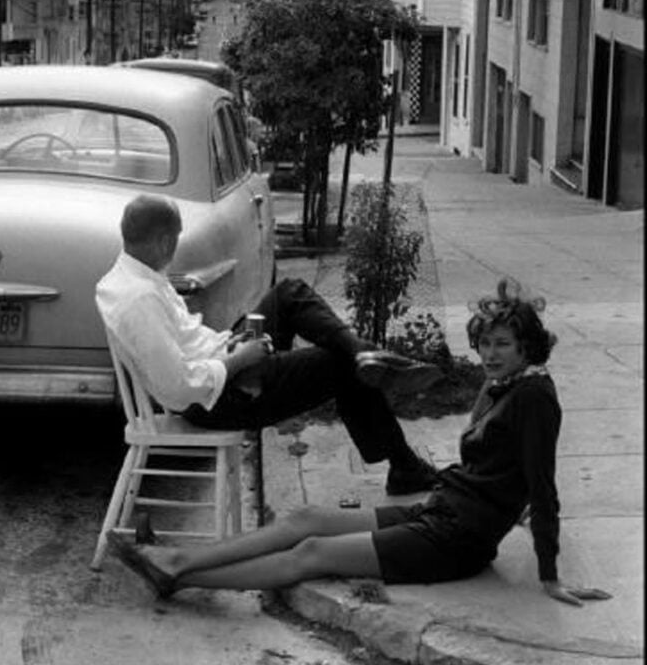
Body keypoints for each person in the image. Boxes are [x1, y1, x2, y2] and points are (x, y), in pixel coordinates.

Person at [107, 274, 613, 608]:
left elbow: (542, 485)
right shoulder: (502, 385)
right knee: (304, 520)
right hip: (441, 509)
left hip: (456, 542)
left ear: (528, 346)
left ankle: (178, 569)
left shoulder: (534, 399)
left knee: (312, 552)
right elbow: (509, 472)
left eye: (503, 345)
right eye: (484, 344)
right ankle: (175, 561)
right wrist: (514, 502)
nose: (490, 355)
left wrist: (550, 574)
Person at [95, 193, 442, 498]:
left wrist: (228, 343)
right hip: (215, 402)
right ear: (162, 241)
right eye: (174, 240)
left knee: (288, 293)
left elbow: (188, 343)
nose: (174, 249)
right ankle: (403, 462)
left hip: (218, 366)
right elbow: (179, 388)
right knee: (338, 366)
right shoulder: (140, 299)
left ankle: (361, 351)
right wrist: (239, 360)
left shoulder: (134, 275)